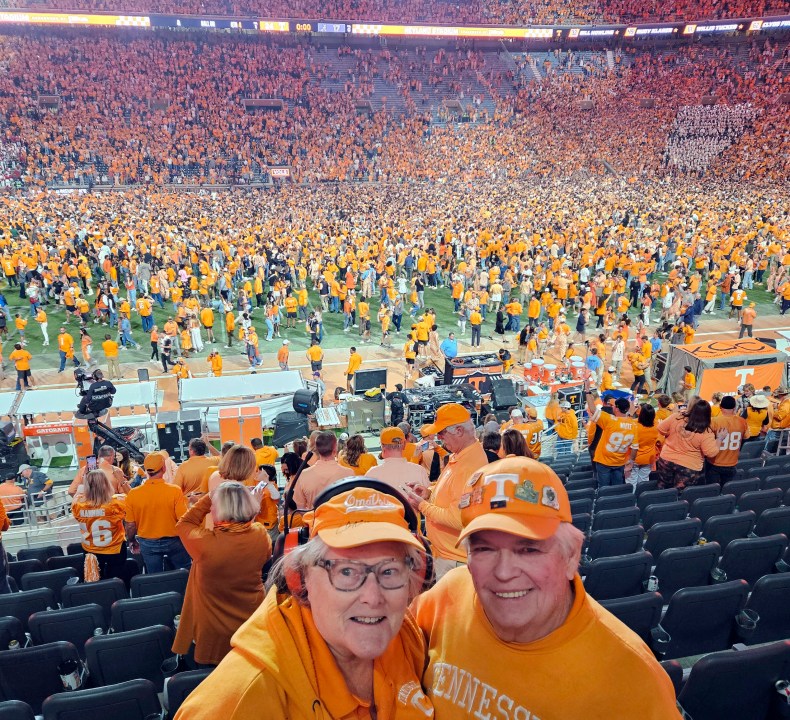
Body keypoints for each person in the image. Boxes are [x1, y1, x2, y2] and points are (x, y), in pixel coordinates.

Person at [411, 456, 679, 719]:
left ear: (571, 556)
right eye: (484, 549)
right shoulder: (447, 595)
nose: (504, 573)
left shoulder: (633, 680)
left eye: (529, 549)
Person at [175, 484, 433, 720]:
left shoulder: (408, 636)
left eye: (389, 571)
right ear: (300, 578)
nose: (373, 598)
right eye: (345, 571)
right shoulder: (235, 702)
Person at [173, 482, 272, 667]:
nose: (210, 508)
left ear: (222, 508)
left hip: (214, 632)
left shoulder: (204, 542)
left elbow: (184, 523)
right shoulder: (261, 534)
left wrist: (211, 494)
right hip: (252, 623)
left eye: (213, 504)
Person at [403, 403, 488, 579]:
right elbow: (450, 489)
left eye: (442, 433)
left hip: (454, 561)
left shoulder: (470, 464)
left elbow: (457, 519)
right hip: (447, 556)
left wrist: (423, 505)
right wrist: (429, 492)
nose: (440, 438)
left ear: (459, 431)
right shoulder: (461, 455)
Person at [124, 452, 191, 574]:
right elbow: (183, 519)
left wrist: (132, 540)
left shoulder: (133, 494)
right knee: (186, 571)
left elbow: (130, 525)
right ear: (164, 468)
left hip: (148, 543)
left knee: (154, 577)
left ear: (146, 470)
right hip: (174, 541)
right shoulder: (174, 491)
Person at [72, 469, 128, 581]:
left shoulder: (78, 505)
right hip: (115, 549)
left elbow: (77, 496)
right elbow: (134, 499)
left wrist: (84, 481)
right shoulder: (116, 503)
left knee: (96, 584)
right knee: (116, 582)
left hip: (91, 551)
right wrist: (121, 480)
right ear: (106, 484)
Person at [656, 400, 719, 491]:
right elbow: (711, 453)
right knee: (680, 494)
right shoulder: (706, 431)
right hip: (689, 466)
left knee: (662, 488)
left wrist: (672, 433)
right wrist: (720, 439)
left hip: (666, 459)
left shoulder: (676, 417)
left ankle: (660, 504)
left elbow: (661, 428)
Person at [584, 380, 637, 486]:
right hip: (620, 462)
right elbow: (635, 448)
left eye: (614, 406)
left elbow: (593, 409)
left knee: (604, 488)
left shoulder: (609, 420)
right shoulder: (633, 425)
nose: (612, 407)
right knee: (616, 489)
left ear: (617, 408)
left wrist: (587, 391)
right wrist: (631, 462)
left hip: (604, 462)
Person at [292, 431, 349, 510]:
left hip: (315, 521)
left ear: (317, 449)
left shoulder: (303, 475)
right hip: (343, 521)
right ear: (335, 449)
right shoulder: (349, 474)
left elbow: (300, 508)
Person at [706, 395, 749, 485]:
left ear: (720, 407)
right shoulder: (742, 421)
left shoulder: (714, 421)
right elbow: (746, 437)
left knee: (712, 491)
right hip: (732, 463)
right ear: (734, 408)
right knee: (726, 491)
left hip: (714, 462)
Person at [627, 404, 659, 485]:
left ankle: (632, 497)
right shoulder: (657, 425)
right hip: (648, 458)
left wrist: (630, 413)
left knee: (631, 483)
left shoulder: (633, 424)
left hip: (633, 458)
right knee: (643, 482)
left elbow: (625, 423)